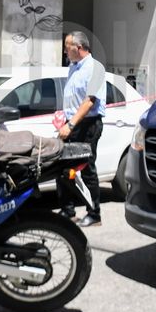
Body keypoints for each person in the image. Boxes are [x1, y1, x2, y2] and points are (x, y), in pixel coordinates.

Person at [59, 31, 106, 228]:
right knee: (62, 166)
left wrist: (71, 124)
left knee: (86, 168)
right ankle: (67, 211)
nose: (65, 50)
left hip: (87, 125)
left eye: (67, 46)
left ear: (78, 48)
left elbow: (89, 101)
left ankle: (94, 213)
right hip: (72, 123)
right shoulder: (73, 67)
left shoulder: (95, 68)